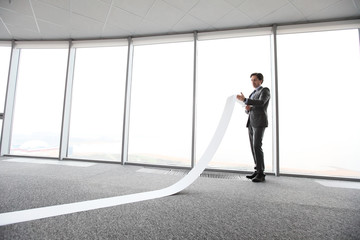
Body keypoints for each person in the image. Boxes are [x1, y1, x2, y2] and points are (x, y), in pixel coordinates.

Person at [237, 73, 270, 183]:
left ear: (261, 80)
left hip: (259, 122)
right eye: (251, 80)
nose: (253, 82)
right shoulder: (253, 93)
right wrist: (247, 108)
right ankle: (257, 170)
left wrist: (245, 99)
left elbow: (261, 103)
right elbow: (250, 108)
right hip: (251, 122)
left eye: (255, 80)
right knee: (253, 147)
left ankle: (261, 173)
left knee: (257, 146)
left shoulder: (264, 90)